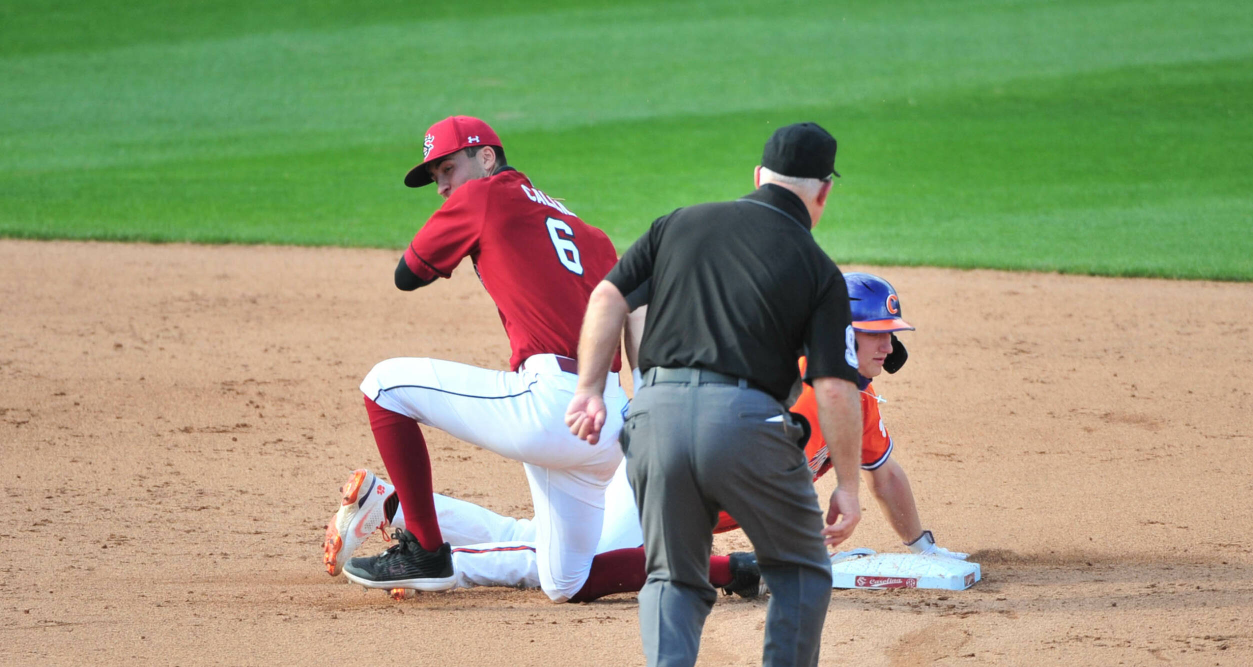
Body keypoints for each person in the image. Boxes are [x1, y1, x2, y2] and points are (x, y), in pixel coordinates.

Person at [322, 273, 964, 599]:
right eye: (880, 333)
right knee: (560, 571)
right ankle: (434, 565)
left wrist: (924, 547)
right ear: (845, 333)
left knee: (540, 538)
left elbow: (885, 474)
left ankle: (394, 505)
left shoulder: (856, 404)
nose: (889, 345)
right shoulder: (789, 387)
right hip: (662, 482)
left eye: (891, 335)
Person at [567, 122, 865, 667]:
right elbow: (836, 389)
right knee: (800, 567)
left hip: (652, 416)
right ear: (823, 194)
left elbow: (608, 295)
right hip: (745, 423)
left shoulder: (678, 222)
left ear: (758, 178)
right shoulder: (817, 268)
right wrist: (847, 483)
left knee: (674, 570)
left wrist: (591, 389)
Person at [327, 114, 628, 604]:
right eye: (434, 178)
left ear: (486, 157)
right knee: (564, 581)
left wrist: (473, 235)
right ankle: (729, 569)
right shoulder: (590, 233)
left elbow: (409, 274)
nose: (443, 186)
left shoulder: (484, 195)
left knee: (383, 386)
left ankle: (425, 551)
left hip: (549, 407)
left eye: (447, 169)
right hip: (608, 420)